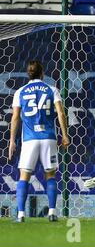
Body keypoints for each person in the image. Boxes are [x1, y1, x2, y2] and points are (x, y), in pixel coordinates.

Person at [8, 60, 70, 222]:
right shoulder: (52, 89)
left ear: (28, 73)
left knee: (24, 176)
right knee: (50, 175)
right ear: (42, 73)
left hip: (29, 139)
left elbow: (15, 118)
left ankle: (21, 214)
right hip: (49, 137)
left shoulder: (20, 91)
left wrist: (12, 141)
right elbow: (61, 114)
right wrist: (64, 135)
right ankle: (52, 213)